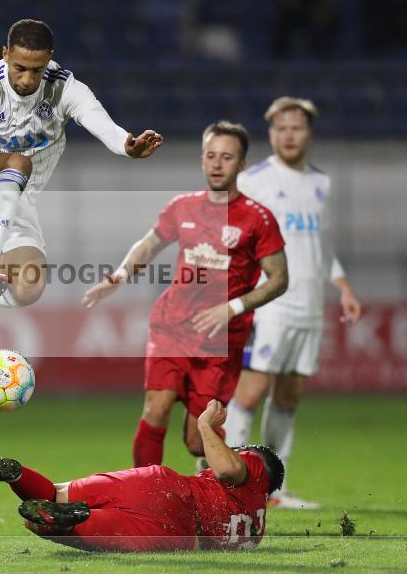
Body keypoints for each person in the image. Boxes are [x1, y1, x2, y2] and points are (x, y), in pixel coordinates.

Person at [0, 19, 163, 311]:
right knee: (18, 162)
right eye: (19, 68)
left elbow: (99, 120)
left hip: (11, 205)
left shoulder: (65, 88)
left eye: (36, 70)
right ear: (5, 55)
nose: (26, 79)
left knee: (30, 287)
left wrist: (128, 146)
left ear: (48, 59)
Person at [81, 121, 288, 470]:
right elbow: (150, 243)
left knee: (197, 441)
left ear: (241, 165)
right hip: (172, 328)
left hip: (219, 342)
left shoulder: (258, 220)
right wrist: (118, 275)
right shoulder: (182, 207)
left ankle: (248, 480)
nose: (217, 163)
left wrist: (232, 308)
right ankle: (143, 497)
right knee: (155, 409)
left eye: (226, 157)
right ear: (202, 160)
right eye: (210, 156)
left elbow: (279, 279)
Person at [223, 97, 362, 510]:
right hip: (271, 304)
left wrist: (343, 286)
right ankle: (229, 479)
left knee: (288, 396)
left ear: (308, 134)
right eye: (281, 128)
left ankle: (273, 488)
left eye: (296, 128)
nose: (288, 135)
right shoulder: (255, 180)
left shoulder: (320, 183)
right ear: (270, 134)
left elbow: (318, 245)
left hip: (309, 306)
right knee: (251, 391)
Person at [0, 399, 284, 552]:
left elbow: (226, 468)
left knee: (55, 494)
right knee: (50, 523)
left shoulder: (254, 467)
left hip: (161, 484)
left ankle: (14, 474)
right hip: (173, 531)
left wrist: (204, 425)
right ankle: (68, 520)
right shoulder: (254, 533)